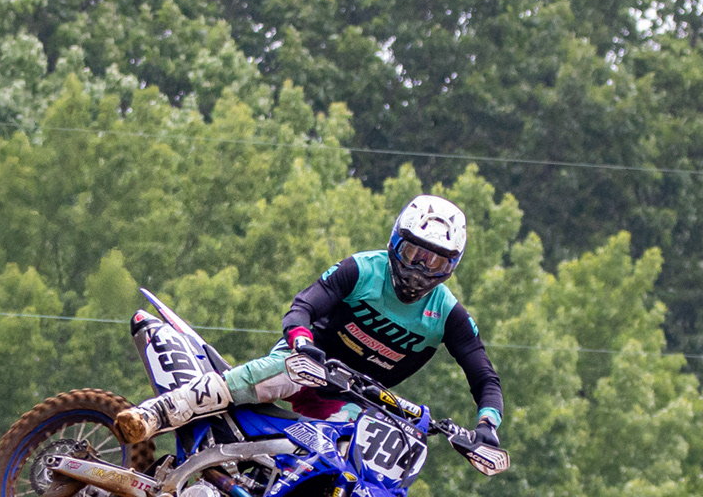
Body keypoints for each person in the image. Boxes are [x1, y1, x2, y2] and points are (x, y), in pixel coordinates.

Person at [112, 195, 505, 458]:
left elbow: (485, 377)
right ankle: (153, 414)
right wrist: (301, 341)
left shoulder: (448, 314)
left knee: (373, 456)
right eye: (414, 252)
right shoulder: (362, 270)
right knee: (268, 376)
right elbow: (303, 306)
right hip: (306, 365)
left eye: (435, 262)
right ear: (395, 243)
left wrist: (488, 425)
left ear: (451, 266)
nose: (420, 268)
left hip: (355, 400)